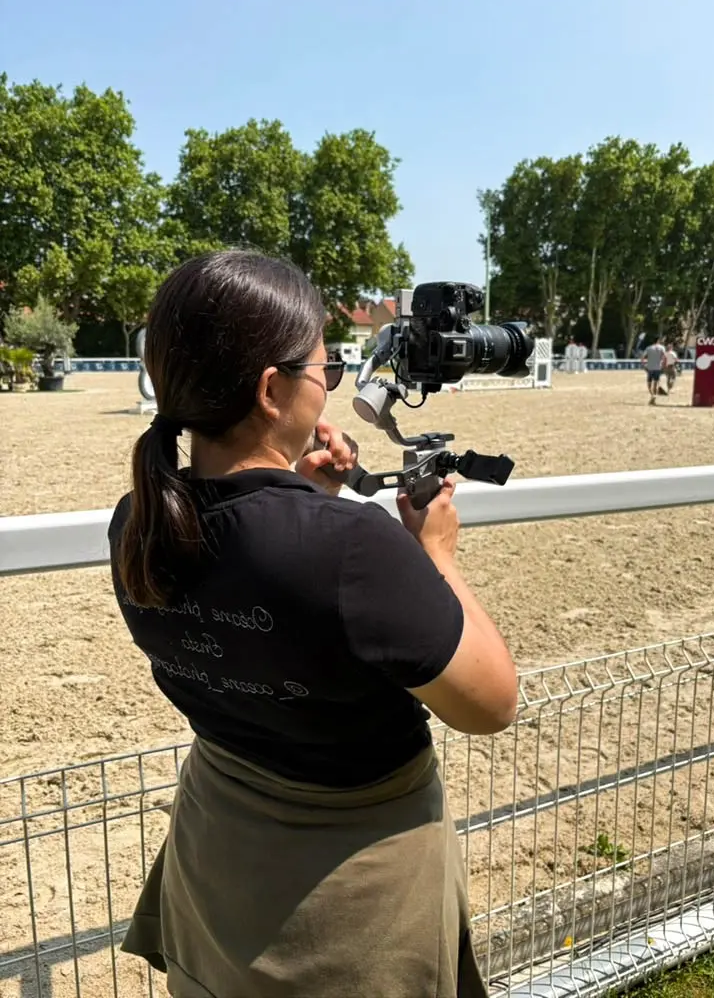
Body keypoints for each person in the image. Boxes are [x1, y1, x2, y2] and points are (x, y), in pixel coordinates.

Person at [108, 250, 517, 998]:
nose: (329, 386)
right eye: (325, 370)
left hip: (216, 864)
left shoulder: (139, 521)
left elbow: (260, 577)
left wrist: (301, 498)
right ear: (272, 389)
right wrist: (436, 555)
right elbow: (491, 704)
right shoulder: (352, 548)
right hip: (350, 903)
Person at [642, 337, 666, 404]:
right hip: (658, 368)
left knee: (649, 383)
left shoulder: (648, 348)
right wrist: (663, 365)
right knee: (656, 383)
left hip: (650, 368)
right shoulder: (662, 348)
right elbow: (664, 357)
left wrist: (644, 365)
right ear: (658, 341)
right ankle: (654, 397)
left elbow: (643, 357)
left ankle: (652, 395)